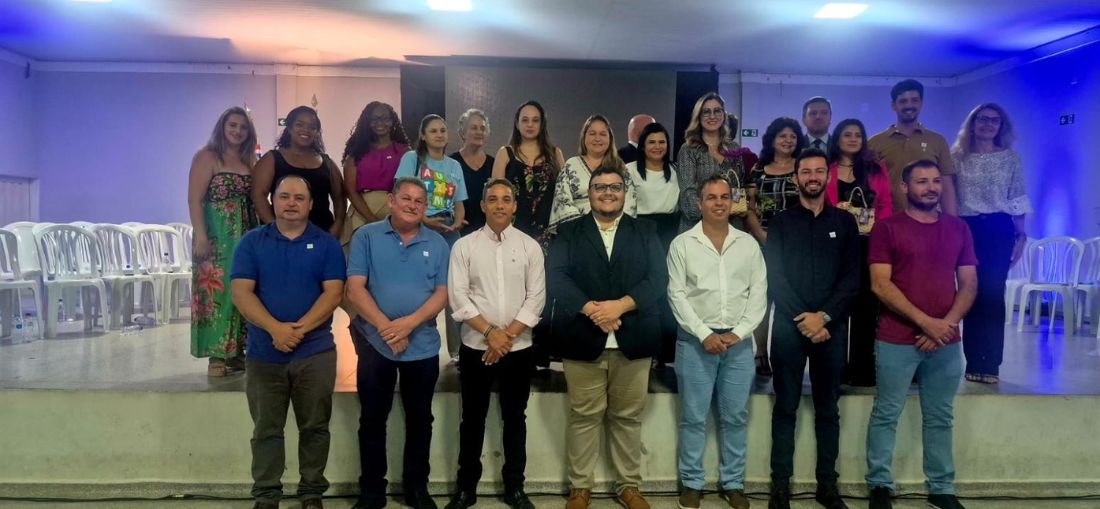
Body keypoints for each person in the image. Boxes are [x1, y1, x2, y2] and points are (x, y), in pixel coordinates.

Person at [548, 167, 668, 509]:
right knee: (584, 416)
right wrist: (592, 310)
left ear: (624, 193)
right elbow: (556, 277)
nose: (607, 192)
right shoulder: (569, 232)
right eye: (600, 187)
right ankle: (580, 488)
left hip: (634, 339)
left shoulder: (645, 231)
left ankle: (628, 486)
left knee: (628, 418)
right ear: (589, 193)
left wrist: (620, 306)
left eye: (615, 187)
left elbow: (658, 278)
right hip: (582, 338)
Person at [864, 160, 977, 509]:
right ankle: (879, 484)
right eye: (921, 181)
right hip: (897, 338)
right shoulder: (887, 228)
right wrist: (926, 322)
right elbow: (880, 284)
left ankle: (941, 488)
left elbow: (969, 283)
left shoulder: (958, 228)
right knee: (886, 412)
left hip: (946, 341)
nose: (930, 187)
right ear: (904, 187)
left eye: (935, 181)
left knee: (940, 416)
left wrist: (945, 325)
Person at [230, 175, 346, 509]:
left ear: (311, 204)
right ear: (273, 201)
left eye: (299, 197)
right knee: (266, 430)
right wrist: (275, 330)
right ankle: (267, 495)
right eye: (284, 196)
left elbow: (333, 293)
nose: (291, 203)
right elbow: (241, 293)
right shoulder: (251, 243)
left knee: (315, 427)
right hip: (264, 354)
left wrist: (297, 331)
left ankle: (311, 493)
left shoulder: (326, 245)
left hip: (315, 353)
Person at [346, 176, 451, 509]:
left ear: (425, 208)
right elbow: (355, 289)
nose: (412, 205)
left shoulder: (438, 244)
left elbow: (443, 293)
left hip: (422, 345)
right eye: (406, 198)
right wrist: (387, 328)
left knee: (420, 420)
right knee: (372, 419)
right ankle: (371, 492)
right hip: (374, 343)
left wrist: (408, 324)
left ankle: (416, 488)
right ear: (391, 201)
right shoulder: (366, 236)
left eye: (419, 201)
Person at [764, 148, 860, 509]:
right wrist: (805, 319)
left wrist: (825, 317)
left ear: (828, 176)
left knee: (828, 410)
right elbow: (775, 277)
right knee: (785, 407)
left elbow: (852, 278)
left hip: (831, 330)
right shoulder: (780, 222)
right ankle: (780, 486)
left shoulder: (845, 222)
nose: (813, 177)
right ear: (796, 178)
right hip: (790, 328)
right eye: (806, 172)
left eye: (820, 171)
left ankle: (827, 486)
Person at [444, 178, 546, 509]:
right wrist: (491, 333)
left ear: (514, 206)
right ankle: (466, 489)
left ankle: (515, 487)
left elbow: (536, 298)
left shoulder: (530, 247)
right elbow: (458, 298)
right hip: (476, 348)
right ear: (483, 205)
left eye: (506, 199)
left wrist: (506, 336)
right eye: (493, 199)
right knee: (472, 419)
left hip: (518, 350)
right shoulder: (465, 246)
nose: (499, 205)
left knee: (515, 419)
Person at [666, 174, 767, 509]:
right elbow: (676, 295)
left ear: (732, 201)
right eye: (711, 197)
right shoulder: (682, 244)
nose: (719, 203)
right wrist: (704, 333)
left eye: (725, 197)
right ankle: (692, 483)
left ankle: (733, 483)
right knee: (694, 417)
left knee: (735, 417)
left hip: (739, 343)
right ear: (700, 203)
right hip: (695, 341)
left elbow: (759, 294)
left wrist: (739, 332)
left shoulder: (748, 245)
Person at [951, 103, 1030, 384]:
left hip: (999, 229)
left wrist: (1021, 235)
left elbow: (1017, 196)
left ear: (1001, 126)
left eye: (995, 120)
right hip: (968, 228)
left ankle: (991, 363)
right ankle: (974, 361)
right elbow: (951, 197)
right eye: (983, 119)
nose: (988, 124)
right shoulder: (957, 157)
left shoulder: (1011, 158)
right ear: (972, 124)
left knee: (994, 294)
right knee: (971, 292)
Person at [187, 106, 259, 377]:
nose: (238, 131)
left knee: (244, 289)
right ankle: (216, 354)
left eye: (243, 127)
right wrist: (201, 236)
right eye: (233, 125)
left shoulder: (250, 160)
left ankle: (237, 352)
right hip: (217, 236)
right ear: (222, 127)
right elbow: (194, 199)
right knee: (217, 293)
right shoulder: (207, 157)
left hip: (247, 234)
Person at [826, 118, 894, 387]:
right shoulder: (827, 168)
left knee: (866, 308)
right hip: (836, 247)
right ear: (837, 138)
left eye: (858, 134)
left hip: (870, 244)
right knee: (838, 307)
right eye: (847, 134)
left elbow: (886, 204)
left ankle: (862, 369)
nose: (853, 139)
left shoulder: (875, 168)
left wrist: (879, 230)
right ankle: (836, 368)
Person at [394, 114, 467, 361]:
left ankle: (458, 351)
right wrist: (424, 220)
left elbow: (459, 203)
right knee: (420, 286)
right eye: (433, 131)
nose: (439, 135)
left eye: (443, 130)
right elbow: (401, 195)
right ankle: (411, 339)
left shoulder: (454, 166)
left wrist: (456, 223)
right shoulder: (411, 159)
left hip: (448, 230)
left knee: (455, 287)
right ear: (423, 135)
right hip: (418, 227)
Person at [746, 117, 806, 377]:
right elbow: (749, 207)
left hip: (796, 245)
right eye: (782, 136)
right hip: (763, 243)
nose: (788, 140)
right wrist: (762, 235)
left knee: (789, 299)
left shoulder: (803, 168)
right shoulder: (758, 170)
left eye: (793, 136)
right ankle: (761, 353)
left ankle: (788, 352)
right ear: (772, 139)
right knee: (762, 298)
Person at [624, 122, 680, 365]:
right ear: (642, 145)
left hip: (670, 234)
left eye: (662, 142)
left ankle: (666, 353)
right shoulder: (628, 170)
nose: (657, 147)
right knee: (644, 290)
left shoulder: (676, 171)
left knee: (668, 291)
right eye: (652, 142)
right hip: (640, 234)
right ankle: (643, 348)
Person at [252, 105, 346, 237]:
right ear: (289, 128)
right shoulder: (272, 159)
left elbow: (339, 198)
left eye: (312, 127)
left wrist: (337, 226)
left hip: (321, 233)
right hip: (281, 235)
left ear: (317, 132)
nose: (306, 130)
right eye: (299, 124)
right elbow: (258, 195)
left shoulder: (327, 162)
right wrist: (275, 229)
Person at [868, 79, 957, 214]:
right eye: (903, 101)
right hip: (888, 218)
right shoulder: (875, 142)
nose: (909, 105)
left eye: (914, 100)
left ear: (921, 103)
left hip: (928, 218)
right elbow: (869, 185)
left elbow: (946, 184)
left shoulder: (937, 141)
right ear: (894, 106)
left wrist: (952, 222)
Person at [676, 92, 758, 234]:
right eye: (706, 112)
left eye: (717, 111)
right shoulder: (689, 149)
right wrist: (720, 210)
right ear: (698, 116)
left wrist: (739, 205)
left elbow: (738, 187)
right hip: (698, 228)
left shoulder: (734, 148)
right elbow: (688, 197)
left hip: (733, 227)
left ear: (723, 115)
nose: (712, 116)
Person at [491, 100, 565, 251]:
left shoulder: (556, 154)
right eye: (525, 120)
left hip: (549, 236)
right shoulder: (505, 153)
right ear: (517, 124)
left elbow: (564, 196)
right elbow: (494, 197)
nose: (530, 124)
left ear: (542, 124)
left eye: (535, 120)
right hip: (511, 234)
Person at [340, 101, 410, 247]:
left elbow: (410, 187)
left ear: (392, 121)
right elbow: (351, 191)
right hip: (361, 214)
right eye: (374, 119)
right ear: (367, 123)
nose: (380, 123)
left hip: (395, 212)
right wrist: (372, 220)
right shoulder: (356, 153)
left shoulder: (405, 152)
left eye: (385, 118)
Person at [550, 114, 638, 230]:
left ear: (610, 138)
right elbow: (562, 201)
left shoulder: (620, 167)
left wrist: (610, 227)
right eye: (592, 134)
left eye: (603, 134)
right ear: (584, 137)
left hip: (616, 231)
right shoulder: (571, 165)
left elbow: (630, 202)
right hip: (578, 231)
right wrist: (587, 227)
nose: (597, 138)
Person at [452, 108, 495, 235]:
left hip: (488, 232)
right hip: (459, 232)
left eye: (482, 128)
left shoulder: (494, 164)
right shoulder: (451, 163)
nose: (479, 132)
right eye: (474, 128)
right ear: (463, 133)